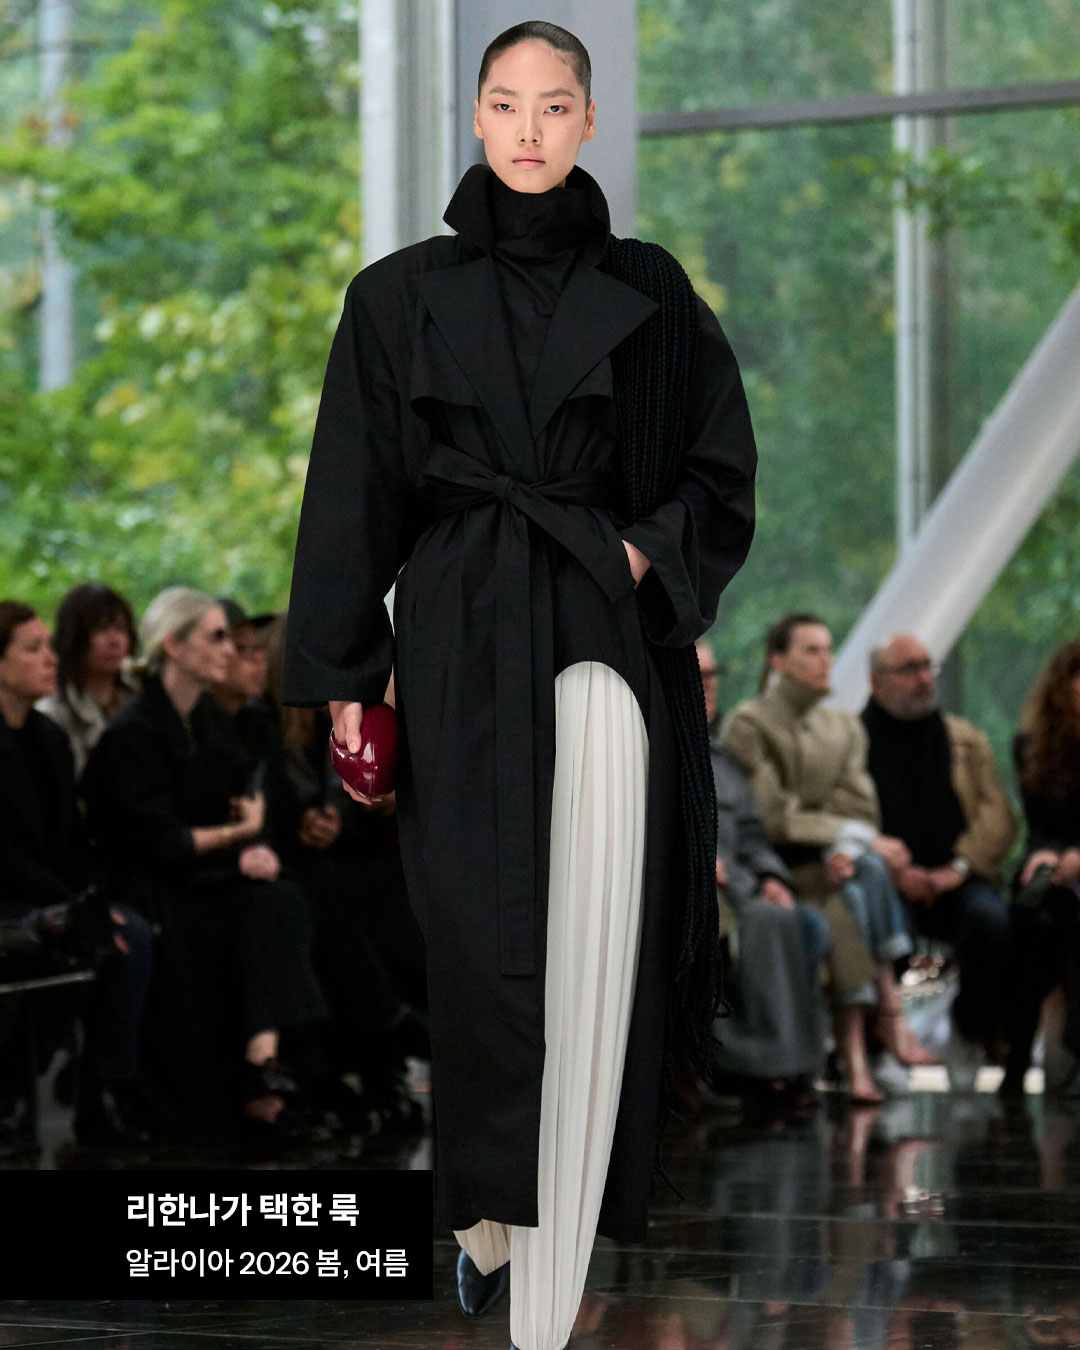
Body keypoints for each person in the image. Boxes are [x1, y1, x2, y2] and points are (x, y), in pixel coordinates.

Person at [282, 21, 757, 1350]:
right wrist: (346, 680)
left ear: (589, 121)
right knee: (476, 935)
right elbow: (351, 492)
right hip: (456, 627)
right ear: (478, 117)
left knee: (593, 933)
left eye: (556, 105)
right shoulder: (395, 296)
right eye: (507, 103)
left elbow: (719, 468)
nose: (531, 128)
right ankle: (488, 1212)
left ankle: (562, 1236)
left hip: (599, 619)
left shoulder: (653, 293)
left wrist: (638, 551)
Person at [81, 587, 327, 1135]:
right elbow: (156, 843)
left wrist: (252, 845)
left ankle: (264, 1063)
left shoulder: (210, 722)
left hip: (203, 879)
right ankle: (263, 1076)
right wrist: (240, 835)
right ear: (173, 645)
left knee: (283, 899)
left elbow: (236, 808)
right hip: (149, 890)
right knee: (271, 909)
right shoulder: (135, 731)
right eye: (215, 637)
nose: (229, 650)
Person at [720, 613, 933, 1106]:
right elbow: (772, 816)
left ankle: (864, 1046)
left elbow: (859, 809)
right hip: (781, 869)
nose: (825, 660)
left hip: (833, 866)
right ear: (778, 660)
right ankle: (881, 1025)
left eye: (828, 649)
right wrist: (840, 835)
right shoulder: (749, 724)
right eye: (811, 650)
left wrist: (841, 847)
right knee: (855, 888)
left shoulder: (842, 727)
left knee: (859, 879)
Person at [0, 600, 153, 1145]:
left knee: (128, 932)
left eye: (49, 645)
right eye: (32, 649)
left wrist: (90, 900)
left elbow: (68, 841)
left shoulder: (48, 739)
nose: (50, 658)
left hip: (47, 894)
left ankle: (103, 1092)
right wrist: (70, 906)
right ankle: (14, 1095)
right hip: (11, 898)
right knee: (66, 936)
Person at [862, 635, 1013, 1089]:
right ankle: (878, 1045)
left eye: (928, 667)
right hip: (890, 881)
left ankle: (969, 1032)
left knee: (992, 921)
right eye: (909, 669)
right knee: (881, 928)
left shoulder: (965, 739)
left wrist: (957, 868)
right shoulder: (852, 740)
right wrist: (892, 867)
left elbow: (998, 816)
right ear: (877, 682)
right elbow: (845, 812)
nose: (924, 679)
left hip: (957, 878)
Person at [697, 640, 830, 1116]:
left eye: (714, 676)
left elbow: (753, 834)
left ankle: (794, 1068)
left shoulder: (724, 761)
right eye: (698, 675)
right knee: (766, 925)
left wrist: (772, 876)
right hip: (698, 891)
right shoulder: (653, 750)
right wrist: (696, 861)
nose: (709, 686)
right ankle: (764, 1072)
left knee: (798, 921)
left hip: (744, 885)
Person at [1005, 640, 1080, 1097]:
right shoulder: (1031, 747)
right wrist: (1046, 854)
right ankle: (1020, 1053)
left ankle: (1063, 1047)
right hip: (1055, 867)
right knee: (1030, 911)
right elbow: (1039, 823)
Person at [37, 582, 140, 777]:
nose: (115, 641)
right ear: (76, 636)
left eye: (121, 629)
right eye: (101, 629)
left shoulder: (138, 697)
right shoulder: (54, 711)